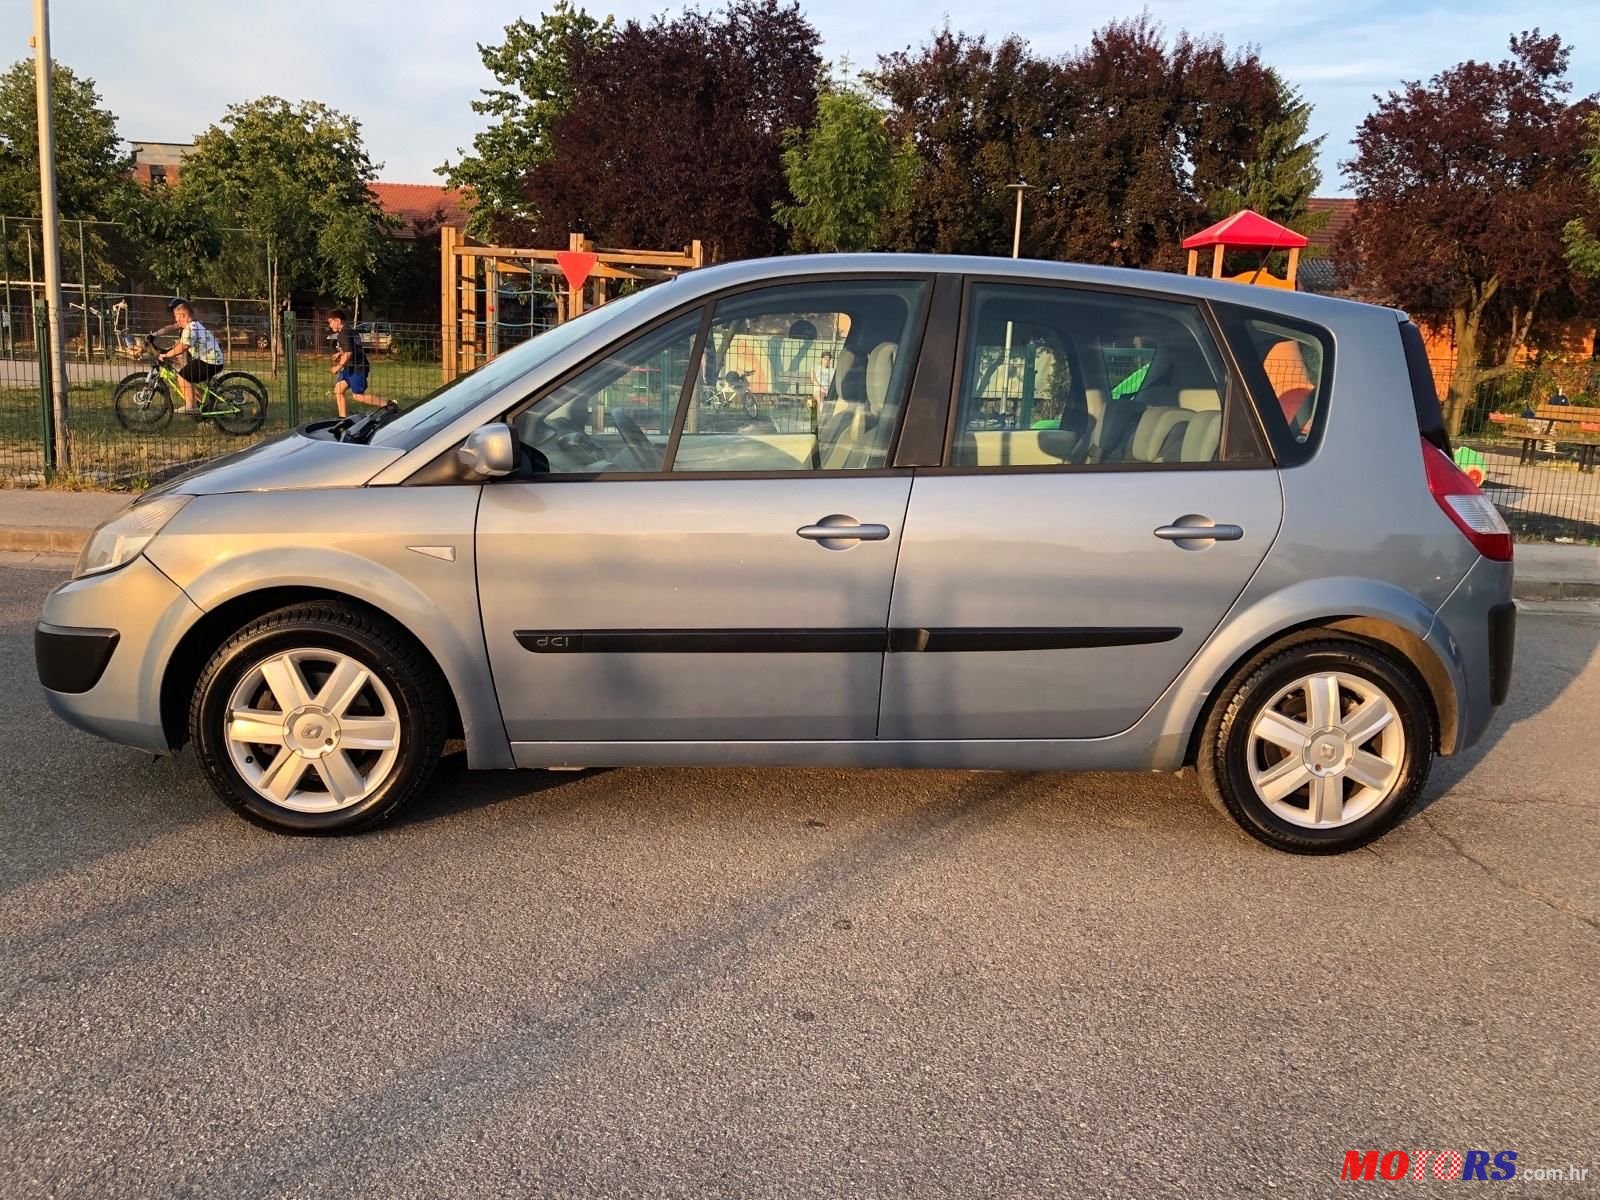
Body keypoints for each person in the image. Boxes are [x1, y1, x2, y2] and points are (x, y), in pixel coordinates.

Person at [156, 298, 224, 416]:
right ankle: (201, 404)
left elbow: (183, 346)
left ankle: (191, 406)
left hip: (210, 361)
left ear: (182, 315)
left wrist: (166, 355)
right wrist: (169, 352)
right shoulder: (193, 326)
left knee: (183, 377)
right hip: (209, 360)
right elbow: (179, 345)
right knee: (188, 376)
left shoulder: (190, 328)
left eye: (176, 316)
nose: (176, 319)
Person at [327, 309, 389, 418]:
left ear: (337, 320)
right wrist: (339, 353)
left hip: (357, 368)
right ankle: (342, 418)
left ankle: (388, 405)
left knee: (358, 396)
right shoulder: (350, 331)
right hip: (350, 367)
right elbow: (351, 347)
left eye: (330, 322)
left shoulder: (343, 334)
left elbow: (349, 353)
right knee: (338, 390)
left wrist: (338, 366)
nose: (330, 325)